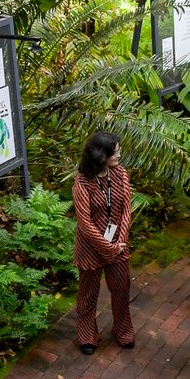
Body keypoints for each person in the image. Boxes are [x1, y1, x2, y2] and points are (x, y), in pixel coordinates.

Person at [72, 132, 134, 354]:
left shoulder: (120, 174)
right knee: (88, 293)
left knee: (121, 288)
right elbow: (85, 223)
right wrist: (108, 246)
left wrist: (120, 240)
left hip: (118, 244)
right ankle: (87, 334)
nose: (119, 154)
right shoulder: (82, 183)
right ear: (101, 155)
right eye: (114, 151)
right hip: (91, 248)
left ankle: (123, 329)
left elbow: (126, 208)